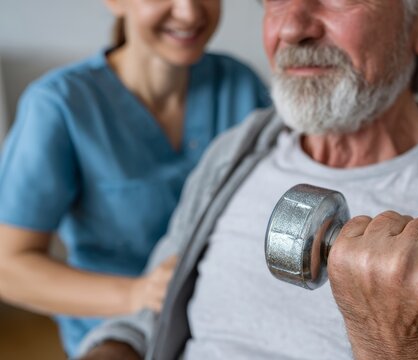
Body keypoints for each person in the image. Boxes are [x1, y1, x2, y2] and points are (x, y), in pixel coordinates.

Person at [78, 0, 418, 359]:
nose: (292, 27)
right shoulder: (235, 153)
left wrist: (397, 343)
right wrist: (111, 349)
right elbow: (147, 314)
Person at [0, 0, 269, 357]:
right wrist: (138, 294)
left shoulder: (240, 84)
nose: (189, 12)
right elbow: (10, 268)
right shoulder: (60, 105)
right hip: (117, 339)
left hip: (220, 322)